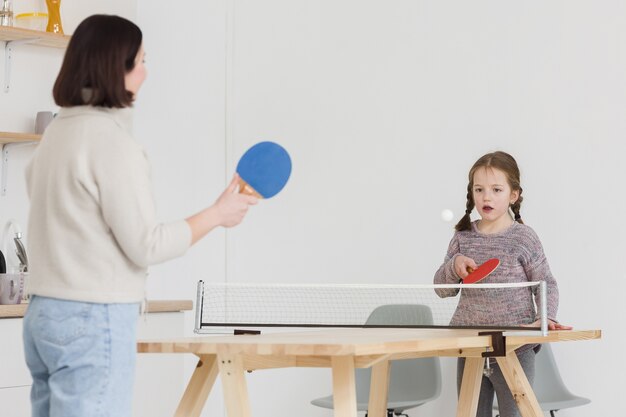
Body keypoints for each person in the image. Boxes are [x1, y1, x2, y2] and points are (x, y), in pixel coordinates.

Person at [22, 14, 258, 417]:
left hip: (43, 316)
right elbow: (145, 244)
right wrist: (217, 214)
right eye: (142, 61)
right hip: (92, 317)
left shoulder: (55, 135)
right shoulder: (112, 142)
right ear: (119, 68)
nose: (147, 73)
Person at [433, 151, 571, 417]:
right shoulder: (462, 237)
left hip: (514, 346)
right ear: (471, 193)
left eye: (496, 189)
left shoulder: (524, 238)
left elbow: (546, 284)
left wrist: (546, 316)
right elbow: (442, 289)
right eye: (479, 189)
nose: (486, 197)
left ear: (513, 195)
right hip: (470, 343)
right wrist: (454, 266)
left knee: (515, 413)